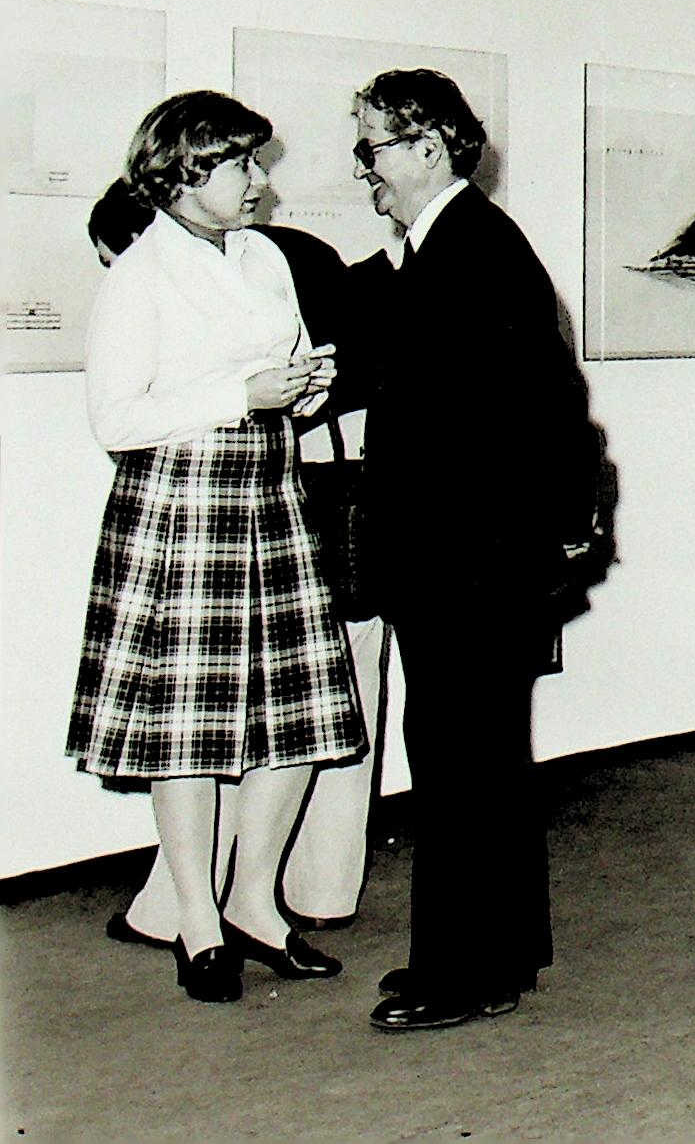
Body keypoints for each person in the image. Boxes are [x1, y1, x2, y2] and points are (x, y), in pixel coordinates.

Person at [69, 93, 364, 1004]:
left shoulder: (264, 256)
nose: (259, 181)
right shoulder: (140, 274)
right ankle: (197, 921)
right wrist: (243, 394)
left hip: (272, 491)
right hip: (183, 500)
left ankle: (254, 904)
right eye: (241, 164)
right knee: (188, 730)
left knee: (300, 716)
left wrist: (308, 386)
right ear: (184, 172)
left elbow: (289, 371)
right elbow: (116, 420)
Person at [351, 68, 597, 1031]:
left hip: (469, 556)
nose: (364, 167)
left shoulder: (470, 249)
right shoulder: (452, 245)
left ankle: (464, 971)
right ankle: (489, 952)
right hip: (469, 550)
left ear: (427, 147)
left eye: (372, 145)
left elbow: (537, 408)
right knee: (474, 756)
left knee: (461, 760)